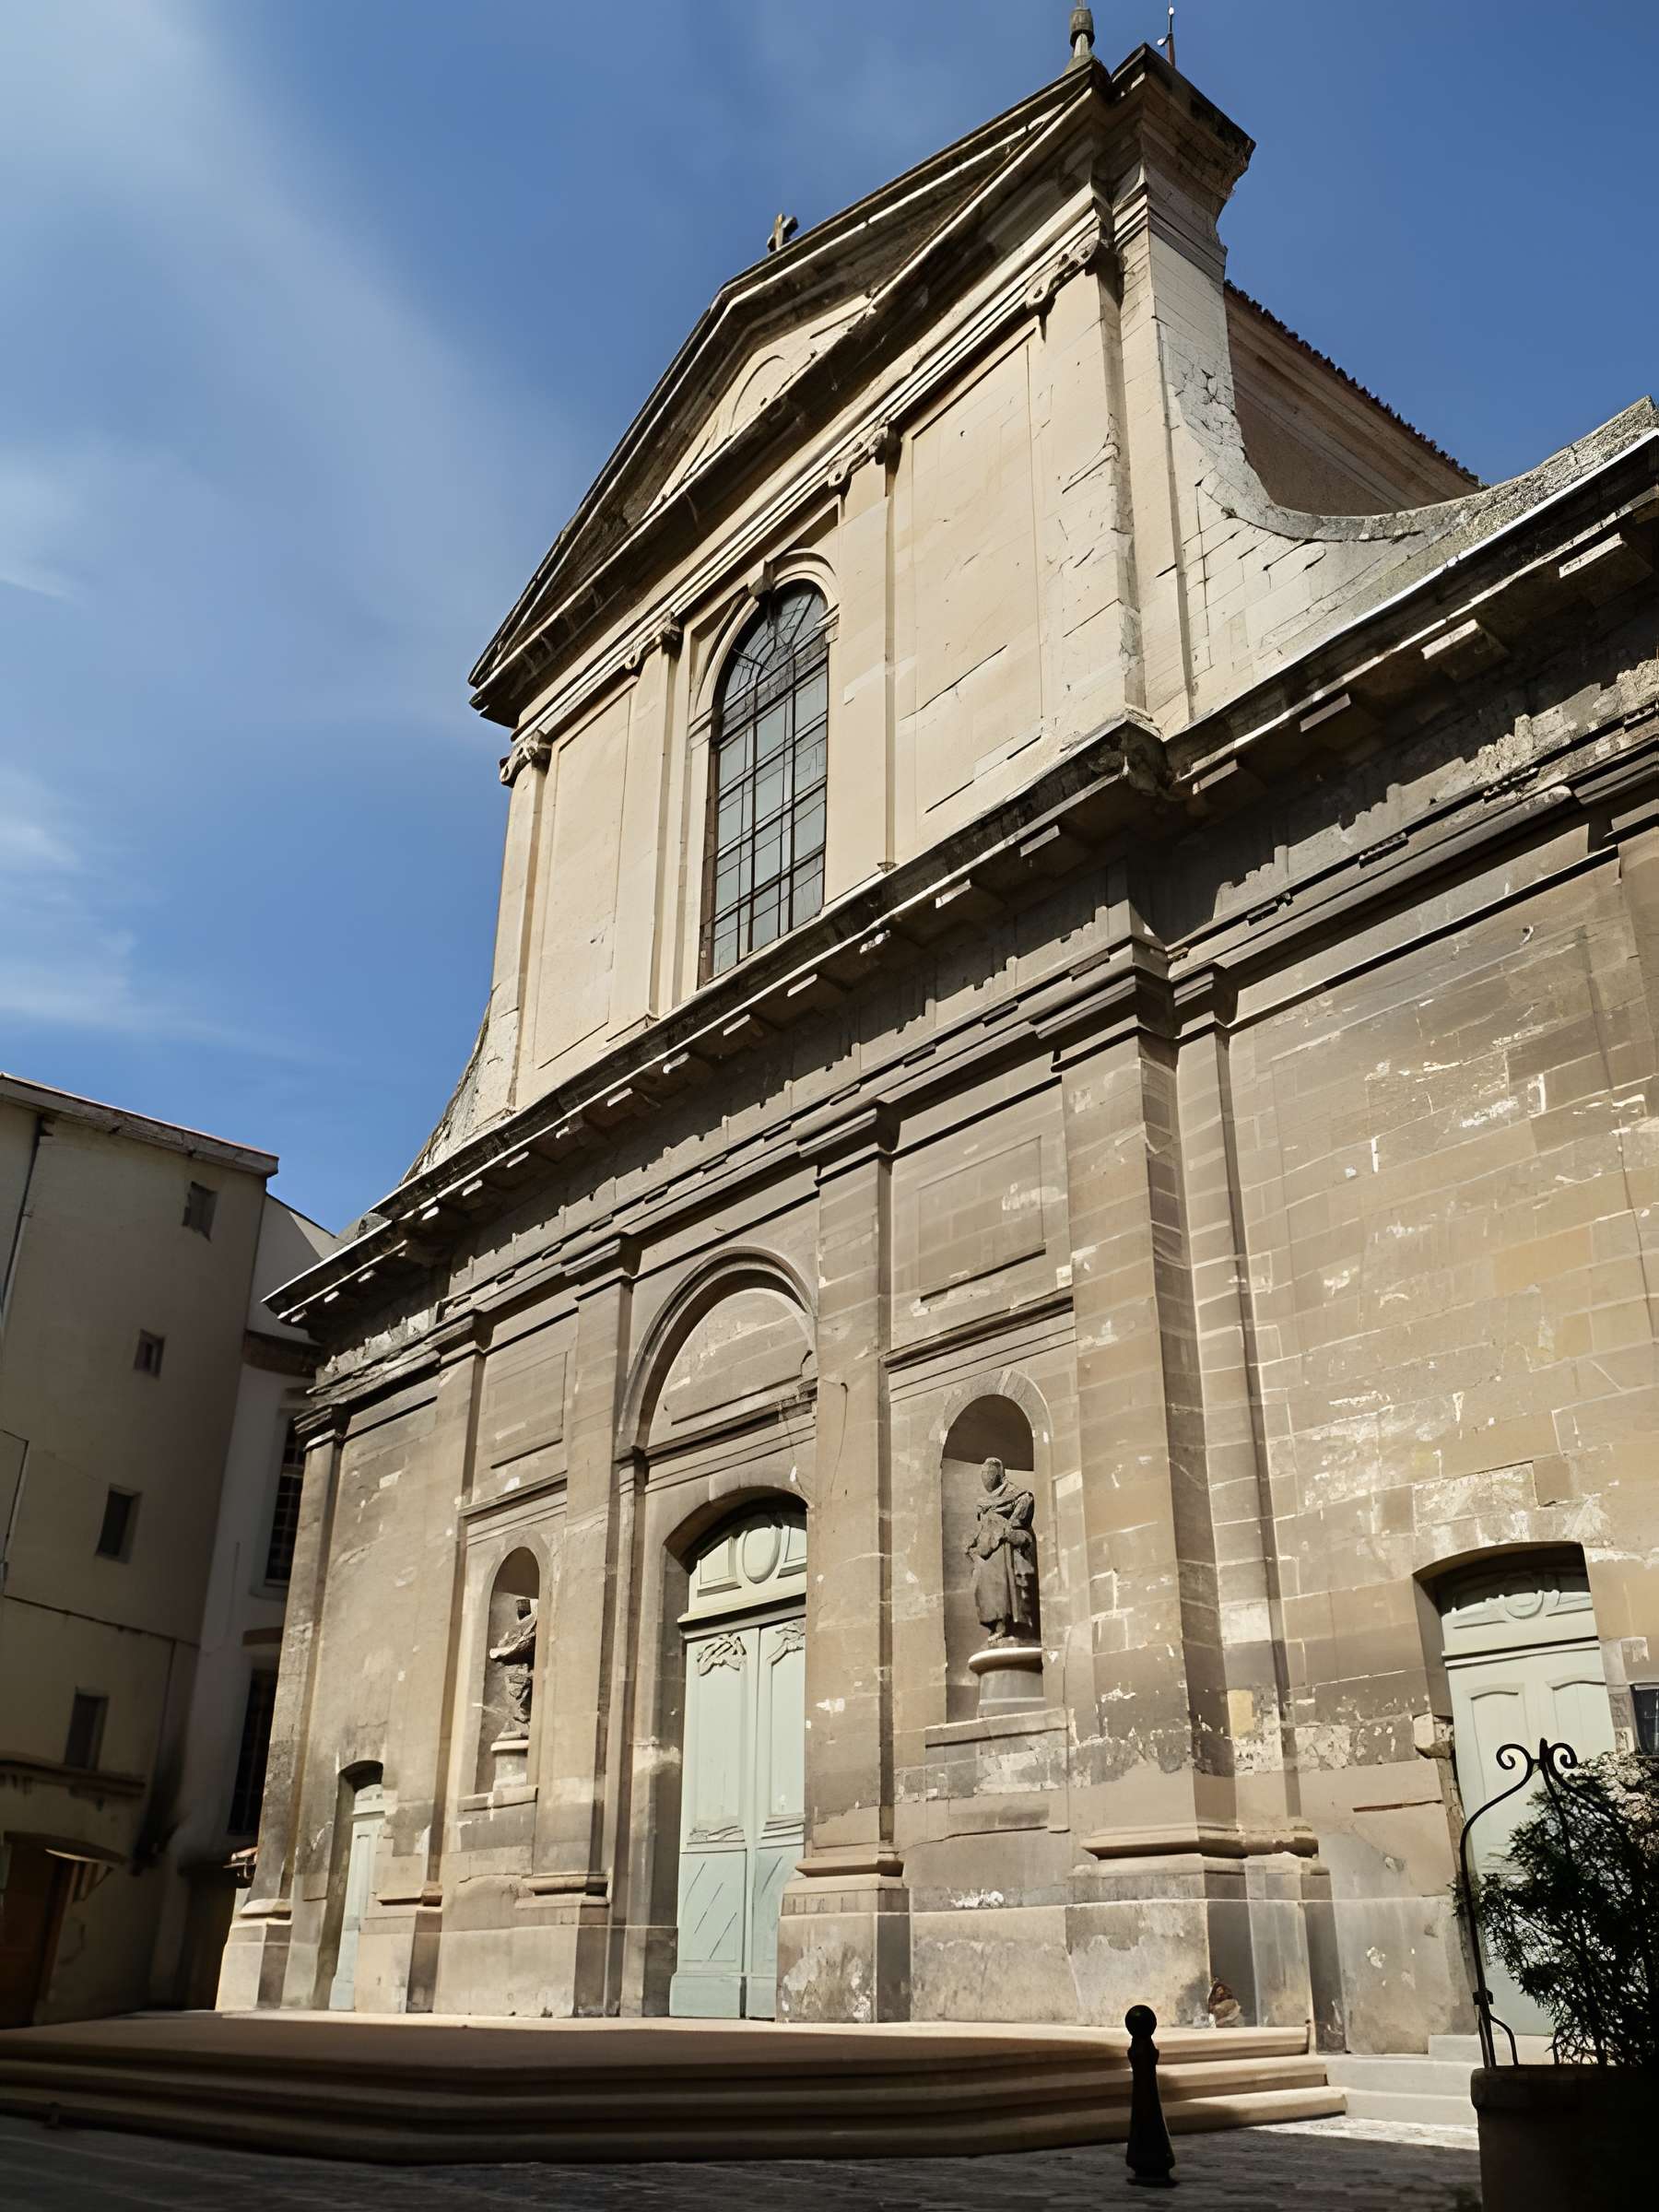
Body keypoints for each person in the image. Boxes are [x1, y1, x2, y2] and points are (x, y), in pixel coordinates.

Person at [966, 1457, 1039, 1642]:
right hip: (988, 1552)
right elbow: (982, 1528)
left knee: (1006, 1586)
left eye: (989, 1474)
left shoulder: (1020, 1495)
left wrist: (1002, 1530)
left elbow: (1018, 1524)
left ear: (999, 1474)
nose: (986, 1478)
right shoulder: (982, 1503)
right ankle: (996, 1624)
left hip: (1007, 1550)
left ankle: (1008, 1624)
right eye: (983, 1474)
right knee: (983, 1587)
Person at [488, 1596, 538, 1728]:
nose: (521, 1609)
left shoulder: (533, 1628)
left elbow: (523, 1645)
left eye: (524, 1606)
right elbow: (502, 1649)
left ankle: (523, 1721)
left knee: (525, 1700)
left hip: (527, 1676)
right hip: (517, 1677)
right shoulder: (515, 1632)